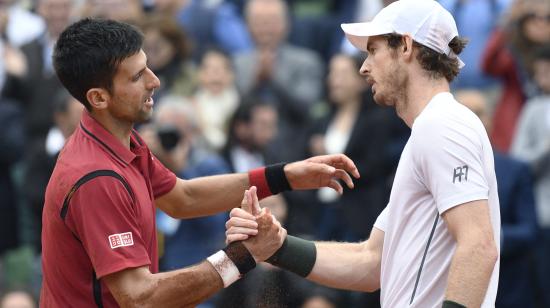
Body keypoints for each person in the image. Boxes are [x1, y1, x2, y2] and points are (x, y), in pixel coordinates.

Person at [40, 18, 360, 307]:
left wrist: (284, 176)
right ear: (98, 98)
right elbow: (141, 298)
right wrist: (241, 258)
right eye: (138, 76)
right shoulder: (97, 177)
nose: (155, 81)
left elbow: (183, 198)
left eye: (148, 67)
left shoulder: (116, 136)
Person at [226, 1, 501, 307]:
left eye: (373, 50)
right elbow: (371, 262)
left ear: (406, 46)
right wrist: (276, 247)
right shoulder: (431, 129)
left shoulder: (442, 124)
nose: (363, 67)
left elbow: (479, 245)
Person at [456, 89, 538, 307]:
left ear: (490, 119)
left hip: (508, 286)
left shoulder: (516, 169)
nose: (473, 119)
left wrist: (485, 238)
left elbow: (529, 231)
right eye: (465, 113)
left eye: (479, 112)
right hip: (456, 286)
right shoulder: (437, 171)